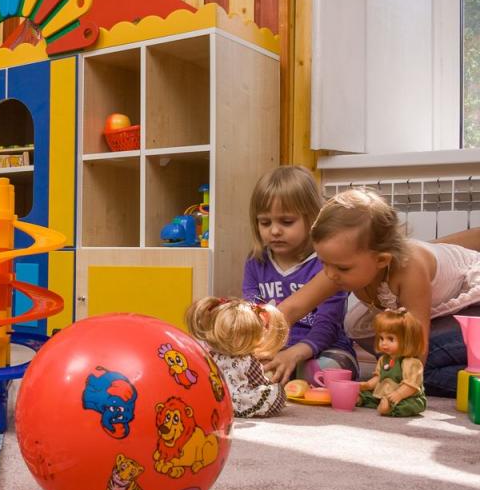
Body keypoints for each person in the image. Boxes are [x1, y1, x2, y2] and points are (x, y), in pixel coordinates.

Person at [278, 188, 480, 397]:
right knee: (388, 358)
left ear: (382, 260)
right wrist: (264, 342)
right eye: (323, 263)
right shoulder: (339, 264)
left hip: (472, 310)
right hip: (441, 316)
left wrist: (399, 387)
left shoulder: (410, 269)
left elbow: (416, 342)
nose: (329, 274)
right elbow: (292, 308)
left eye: (342, 268)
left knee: (413, 371)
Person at [242, 166, 357, 385]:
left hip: (321, 348)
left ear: (313, 219)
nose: (274, 231)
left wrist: (295, 353)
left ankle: (287, 373)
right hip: (272, 348)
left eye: (286, 222)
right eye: (265, 222)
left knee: (331, 367)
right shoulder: (256, 261)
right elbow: (253, 318)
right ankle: (281, 373)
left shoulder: (327, 262)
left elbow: (327, 325)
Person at [186, 296, 288, 418]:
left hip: (213, 398)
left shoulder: (208, 355)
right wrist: (268, 385)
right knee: (276, 392)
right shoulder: (247, 360)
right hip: (239, 401)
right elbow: (258, 381)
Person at [358, 309, 427, 417]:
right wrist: (367, 385)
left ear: (407, 340)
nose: (384, 343)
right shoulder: (383, 359)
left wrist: (398, 394)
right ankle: (363, 399)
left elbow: (411, 386)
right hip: (384, 393)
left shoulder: (411, 363)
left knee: (409, 405)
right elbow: (379, 378)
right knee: (367, 394)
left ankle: (389, 408)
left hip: (406, 396)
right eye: (381, 338)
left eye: (390, 339)